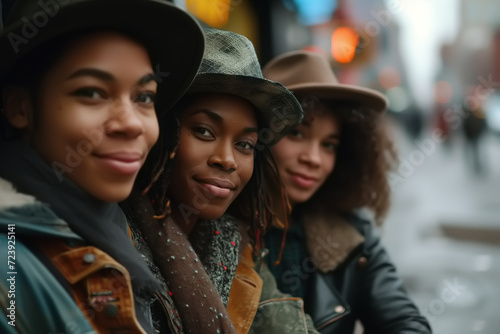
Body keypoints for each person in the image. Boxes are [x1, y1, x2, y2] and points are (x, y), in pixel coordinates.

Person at [0, 0, 205, 332]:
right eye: (92, 92)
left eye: (144, 97)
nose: (131, 124)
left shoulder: (125, 227)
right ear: (19, 108)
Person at [121, 29, 320, 333]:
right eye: (204, 131)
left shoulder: (235, 246)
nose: (226, 159)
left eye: (244, 145)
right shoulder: (109, 240)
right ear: (162, 131)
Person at [262, 50, 432, 333]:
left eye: (329, 144)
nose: (314, 158)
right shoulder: (214, 232)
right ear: (256, 136)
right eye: (297, 134)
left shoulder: (354, 235)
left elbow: (404, 321)